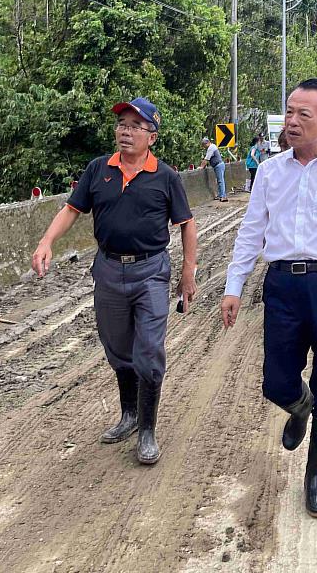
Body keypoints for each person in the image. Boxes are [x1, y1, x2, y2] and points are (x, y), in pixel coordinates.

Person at [221, 79, 317, 518]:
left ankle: (316, 474)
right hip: (283, 286)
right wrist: (234, 287)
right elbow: (251, 232)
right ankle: (298, 406)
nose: (290, 122)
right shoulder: (270, 171)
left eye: (302, 115)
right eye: (289, 112)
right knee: (276, 381)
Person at [31, 97, 197, 465]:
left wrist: (189, 271)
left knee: (149, 351)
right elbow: (72, 209)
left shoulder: (165, 176)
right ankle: (130, 414)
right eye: (122, 123)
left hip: (151, 271)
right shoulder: (97, 169)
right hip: (108, 269)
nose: (125, 130)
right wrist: (46, 242)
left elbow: (187, 224)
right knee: (118, 348)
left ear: (152, 136)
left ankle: (148, 430)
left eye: (135, 126)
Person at [200, 137, 228, 202]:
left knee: (220, 181)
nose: (204, 147)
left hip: (219, 165)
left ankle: (222, 196)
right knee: (219, 181)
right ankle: (220, 195)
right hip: (218, 165)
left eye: (204, 145)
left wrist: (201, 167)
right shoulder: (212, 147)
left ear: (208, 143)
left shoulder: (211, 148)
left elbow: (206, 159)